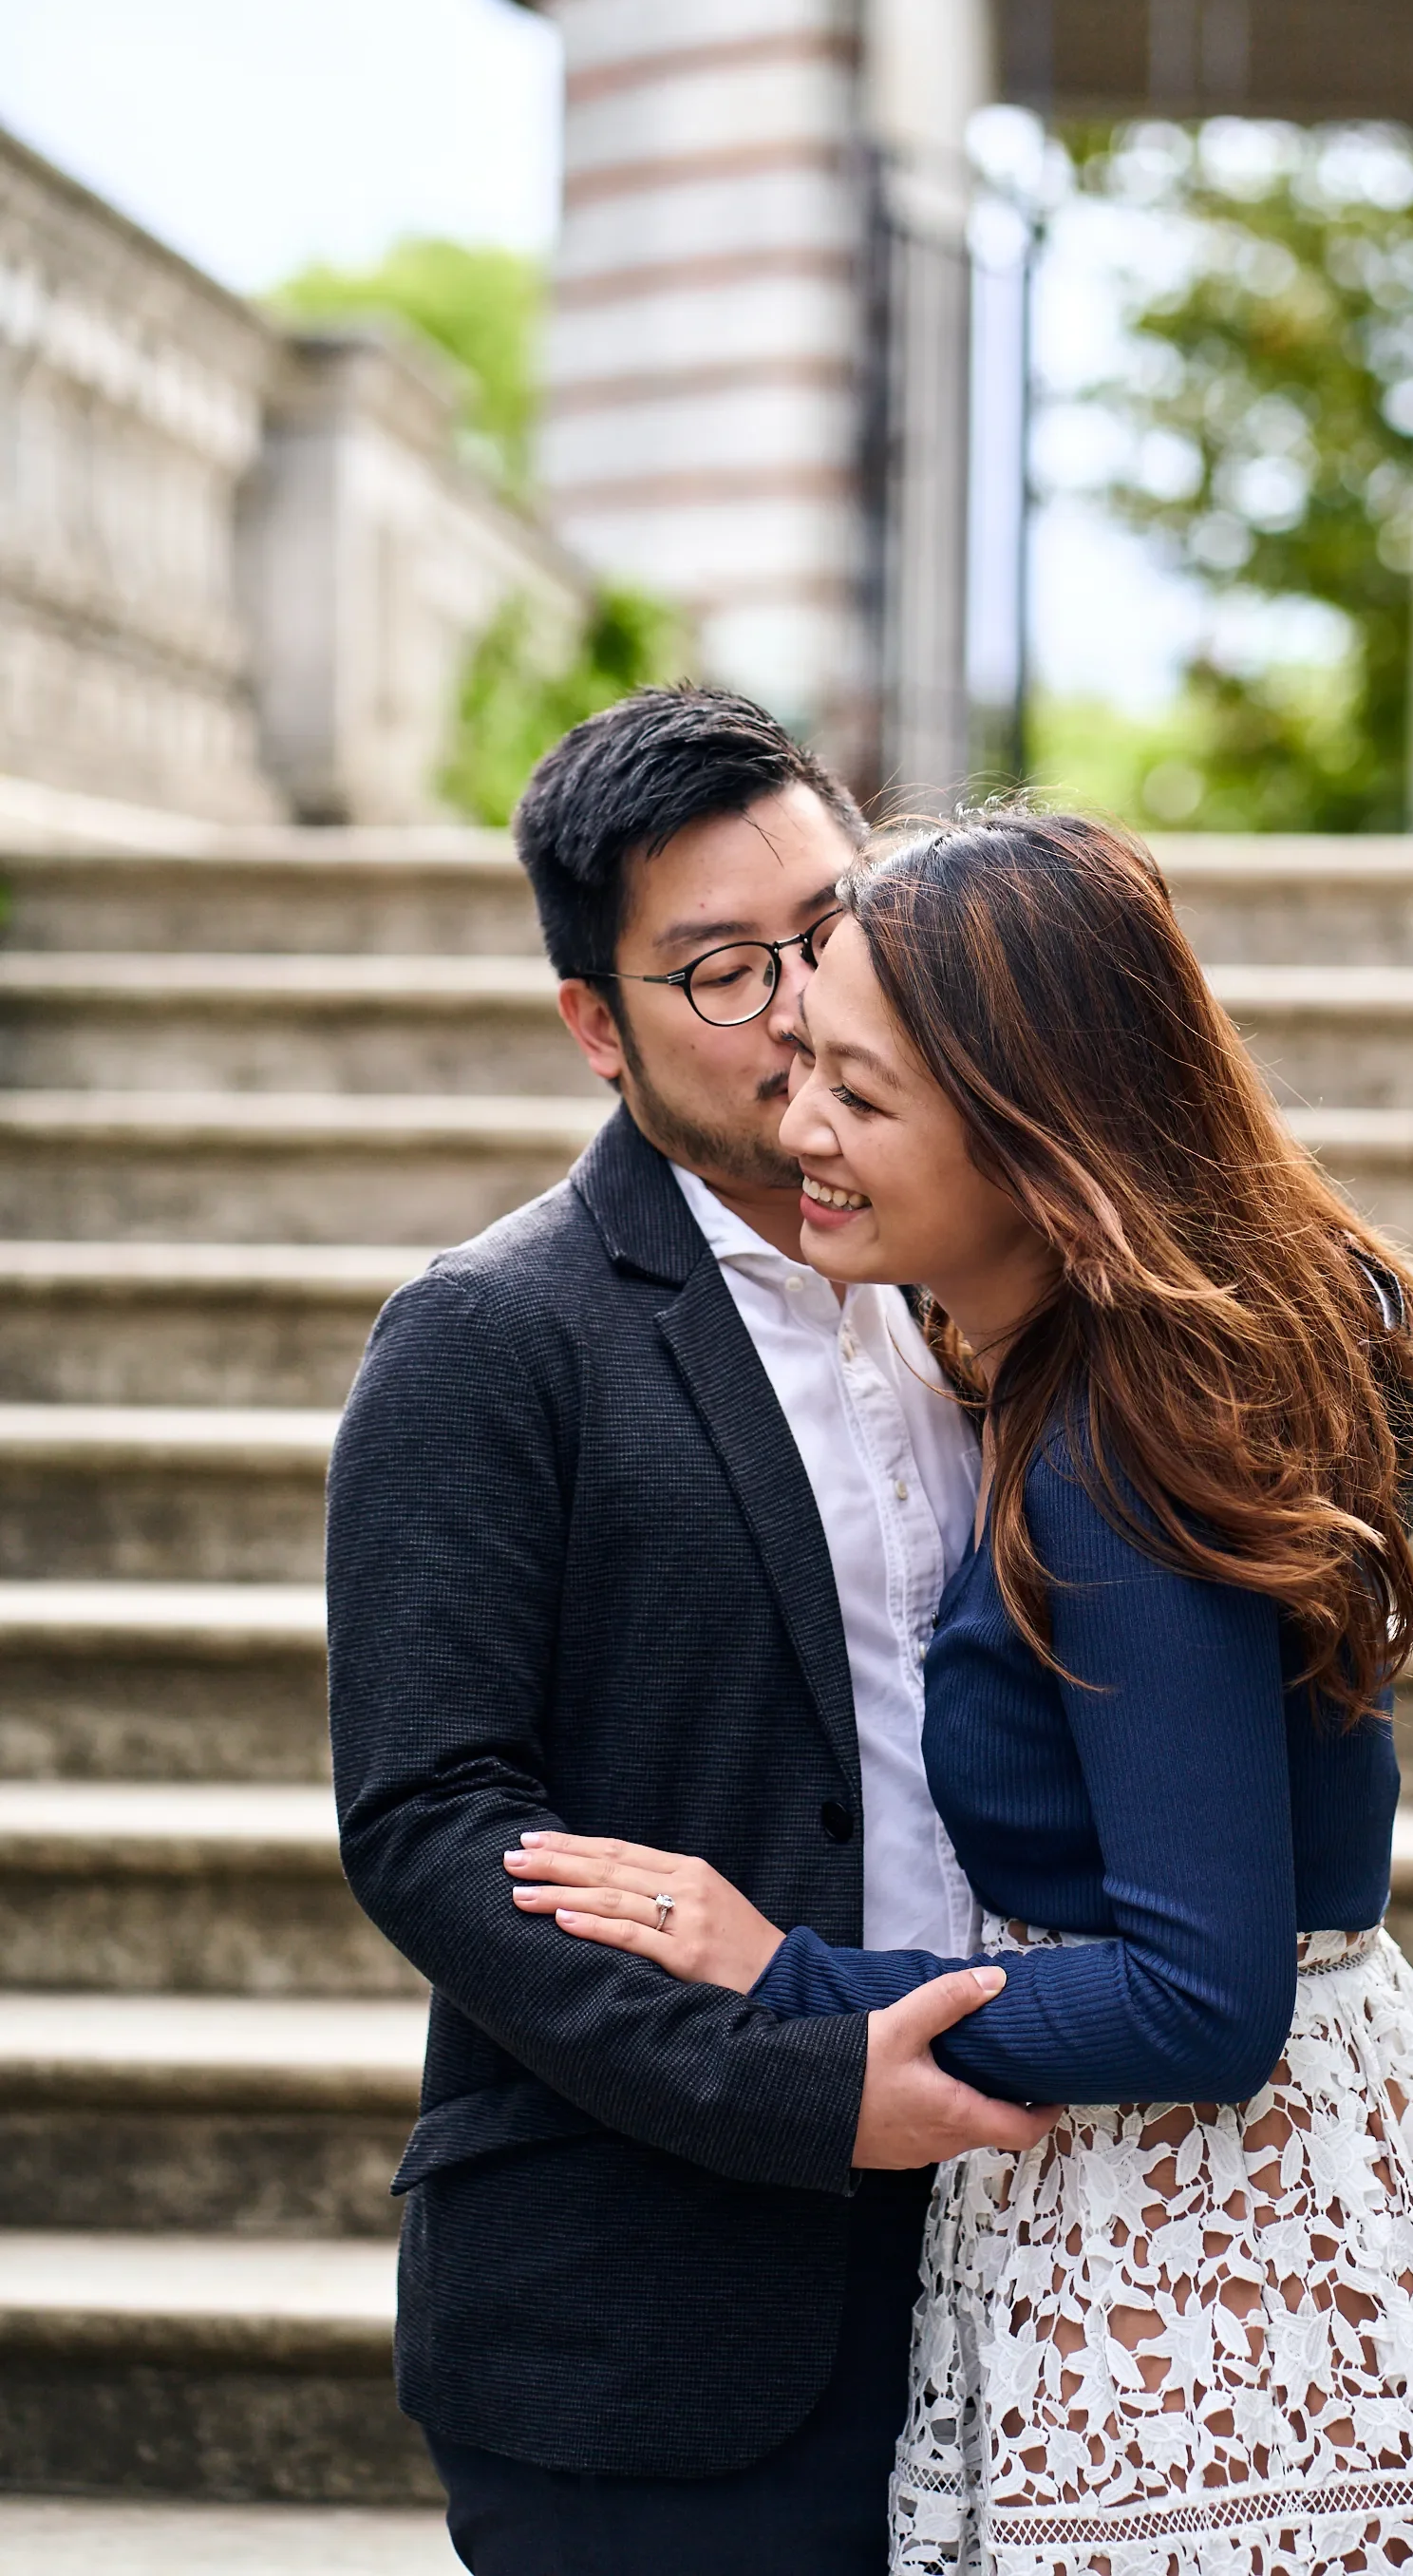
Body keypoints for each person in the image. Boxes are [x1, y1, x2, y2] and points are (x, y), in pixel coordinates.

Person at [506, 808, 1413, 2576]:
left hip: (1200, 2246)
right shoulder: (1108, 1375)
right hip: (1250, 2196)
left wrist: (781, 1971)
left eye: (861, 1099)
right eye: (801, 1074)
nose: (799, 1134)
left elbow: (1201, 1998)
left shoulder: (1116, 1451)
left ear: (1035, 1133)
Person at [326, 690, 1058, 2576]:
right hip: (642, 2315)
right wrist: (808, 2087)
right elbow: (430, 1821)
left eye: (831, 929)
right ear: (596, 1025)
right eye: (728, 972)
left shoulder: (970, 1286)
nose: (806, 1005)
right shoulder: (491, 1336)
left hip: (1008, 2244)